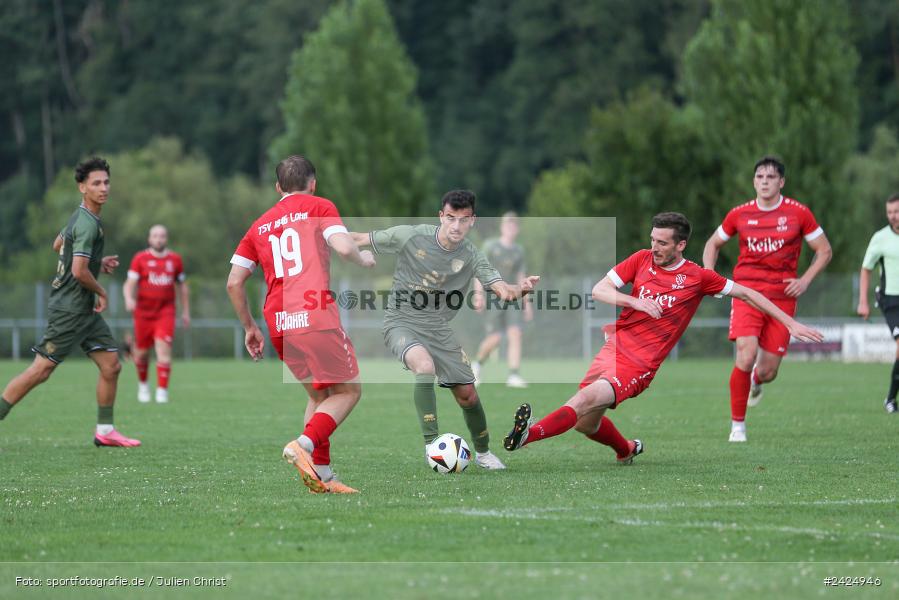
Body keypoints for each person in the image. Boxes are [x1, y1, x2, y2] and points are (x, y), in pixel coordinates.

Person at [503, 212, 823, 461]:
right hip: (614, 348)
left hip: (639, 364)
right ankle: (627, 449)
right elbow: (600, 290)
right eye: (653, 240)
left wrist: (789, 323)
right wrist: (634, 301)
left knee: (583, 401)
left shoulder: (698, 277)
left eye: (663, 243)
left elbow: (748, 293)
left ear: (680, 245)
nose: (654, 247)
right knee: (585, 423)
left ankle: (527, 435)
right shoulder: (641, 258)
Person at [350, 190, 539, 470]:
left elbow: (502, 290)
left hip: (437, 328)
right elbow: (357, 239)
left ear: (472, 221)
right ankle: (432, 446)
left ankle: (484, 453)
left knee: (468, 395)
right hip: (400, 321)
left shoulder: (472, 255)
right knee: (424, 366)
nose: (456, 226)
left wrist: (520, 289)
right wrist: (323, 236)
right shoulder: (411, 236)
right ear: (441, 216)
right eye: (451, 218)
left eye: (463, 220)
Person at [227, 155, 375, 494]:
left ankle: (322, 474)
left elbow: (234, 282)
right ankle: (302, 445)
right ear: (313, 183)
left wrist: (249, 328)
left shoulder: (259, 225)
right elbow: (343, 247)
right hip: (313, 315)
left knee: (319, 395)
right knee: (349, 391)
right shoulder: (320, 206)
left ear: (278, 187)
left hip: (279, 320)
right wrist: (363, 259)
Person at [0, 157, 140, 447]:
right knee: (40, 370)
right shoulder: (87, 224)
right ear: (82, 187)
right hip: (70, 310)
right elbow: (78, 271)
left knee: (111, 366)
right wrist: (102, 291)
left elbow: (58, 245)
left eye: (106, 182)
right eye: (96, 183)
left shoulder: (81, 217)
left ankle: (105, 431)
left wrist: (97, 261)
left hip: (83, 311)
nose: (104, 188)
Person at [702, 156, 832, 442]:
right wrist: (710, 275)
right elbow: (713, 243)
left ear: (781, 182)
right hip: (746, 294)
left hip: (782, 298)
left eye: (770, 177)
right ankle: (738, 427)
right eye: (759, 177)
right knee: (745, 353)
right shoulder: (739, 214)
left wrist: (805, 280)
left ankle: (756, 380)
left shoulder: (799, 213)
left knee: (768, 370)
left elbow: (824, 250)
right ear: (754, 181)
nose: (764, 182)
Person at [124, 225, 190, 404]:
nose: (158, 239)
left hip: (165, 312)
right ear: (149, 239)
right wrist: (129, 298)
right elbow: (129, 283)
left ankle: (162, 392)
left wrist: (185, 311)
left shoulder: (175, 260)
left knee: (163, 349)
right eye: (155, 236)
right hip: (143, 313)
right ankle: (143, 385)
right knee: (141, 353)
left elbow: (182, 287)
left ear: (166, 239)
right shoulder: (140, 258)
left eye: (162, 236)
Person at [471, 212, 533, 388]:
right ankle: (477, 365)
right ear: (502, 227)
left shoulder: (518, 251)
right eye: (507, 225)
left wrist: (527, 303)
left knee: (515, 333)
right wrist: (478, 294)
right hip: (493, 297)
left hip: (514, 297)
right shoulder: (491, 246)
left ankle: (513, 375)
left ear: (517, 229)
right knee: (495, 338)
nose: (510, 228)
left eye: (514, 225)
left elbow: (522, 277)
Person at [857, 192, 899, 413]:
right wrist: (863, 301)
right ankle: (890, 399)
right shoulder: (880, 238)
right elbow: (866, 269)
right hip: (890, 300)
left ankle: (891, 398)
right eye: (890, 212)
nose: (893, 216)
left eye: (897, 211)